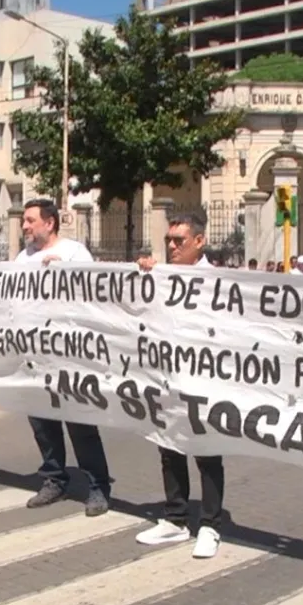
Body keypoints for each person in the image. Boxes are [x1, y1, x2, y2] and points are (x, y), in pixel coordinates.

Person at [135, 212, 225, 560]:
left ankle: (210, 525)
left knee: (207, 452)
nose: (172, 246)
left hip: (205, 381)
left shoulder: (218, 282)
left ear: (199, 241)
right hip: (168, 379)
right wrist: (145, 272)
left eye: (179, 241)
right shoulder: (161, 276)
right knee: (169, 447)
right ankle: (176, 518)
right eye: (169, 240)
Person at [16, 198, 112, 517]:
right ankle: (55, 479)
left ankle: (97, 486)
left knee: (80, 422)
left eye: (30, 220)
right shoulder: (22, 259)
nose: (25, 226)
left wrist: (65, 273)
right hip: (35, 355)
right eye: (24, 220)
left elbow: (92, 294)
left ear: (50, 223)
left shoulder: (74, 252)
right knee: (42, 423)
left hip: (69, 357)